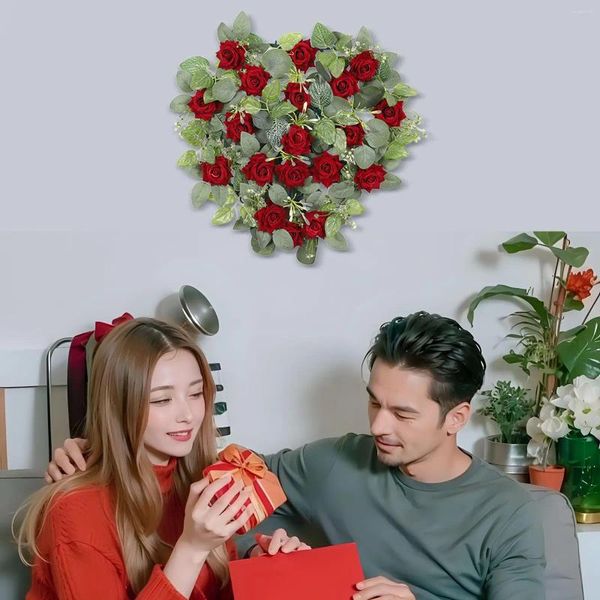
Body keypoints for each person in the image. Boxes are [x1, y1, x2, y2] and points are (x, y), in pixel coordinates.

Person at [46, 312, 546, 600]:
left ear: (457, 418)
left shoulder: (512, 512)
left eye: (402, 413)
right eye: (373, 401)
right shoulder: (334, 464)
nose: (376, 425)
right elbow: (222, 478)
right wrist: (102, 449)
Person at [16, 318, 308, 599]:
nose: (188, 415)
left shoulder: (201, 479)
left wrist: (264, 568)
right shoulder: (75, 511)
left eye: (196, 394)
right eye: (162, 400)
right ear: (119, 406)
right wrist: (192, 549)